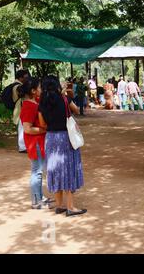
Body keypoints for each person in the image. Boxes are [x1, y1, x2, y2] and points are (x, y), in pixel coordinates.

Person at [38, 75, 86, 217]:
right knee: (69, 167)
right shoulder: (64, 99)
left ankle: (59, 205)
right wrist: (67, 95)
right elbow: (76, 110)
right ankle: (70, 207)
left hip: (51, 139)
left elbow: (42, 124)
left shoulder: (42, 103)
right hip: (66, 137)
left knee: (55, 169)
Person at [19, 77, 50, 209]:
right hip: (35, 142)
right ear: (33, 91)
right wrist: (44, 130)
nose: (41, 90)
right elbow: (27, 129)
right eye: (39, 88)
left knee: (39, 170)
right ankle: (36, 201)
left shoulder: (33, 102)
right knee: (36, 171)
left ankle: (40, 197)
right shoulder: (29, 106)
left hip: (38, 141)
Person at [12, 69, 30, 153]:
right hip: (20, 109)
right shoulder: (17, 86)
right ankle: (22, 147)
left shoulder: (17, 85)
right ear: (20, 78)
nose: (27, 78)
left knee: (22, 127)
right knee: (22, 127)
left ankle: (23, 146)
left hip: (20, 108)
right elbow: (23, 94)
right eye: (25, 77)